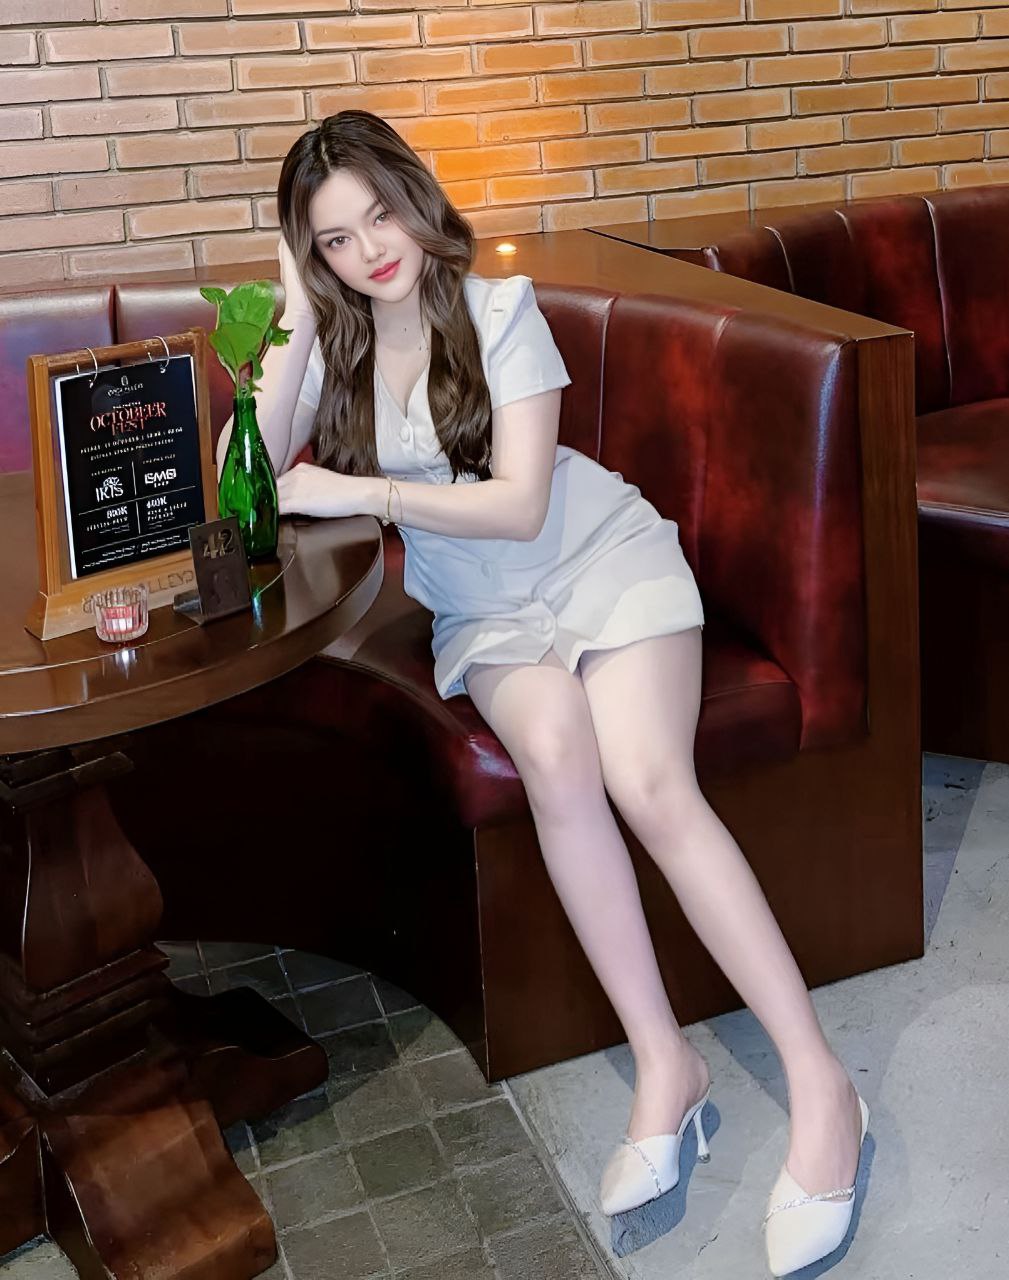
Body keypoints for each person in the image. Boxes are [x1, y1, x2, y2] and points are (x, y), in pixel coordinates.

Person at [216, 110, 870, 1276]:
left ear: (414, 197)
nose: (370, 250)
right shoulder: (339, 343)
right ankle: (666, 1061)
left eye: (378, 215)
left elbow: (520, 505)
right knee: (562, 763)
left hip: (596, 558)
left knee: (650, 783)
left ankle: (823, 1088)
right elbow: (247, 485)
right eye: (334, 240)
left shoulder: (498, 310)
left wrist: (366, 492)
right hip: (486, 612)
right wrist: (295, 314)